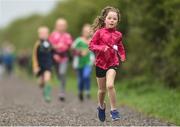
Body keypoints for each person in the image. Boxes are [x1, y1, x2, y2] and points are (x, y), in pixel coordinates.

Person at [89, 6, 126, 122]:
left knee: (110, 85)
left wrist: (122, 55)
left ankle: (114, 110)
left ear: (117, 21)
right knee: (101, 90)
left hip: (112, 63)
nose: (112, 20)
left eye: (114, 19)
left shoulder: (118, 35)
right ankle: (101, 106)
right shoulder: (99, 33)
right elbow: (91, 45)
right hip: (100, 64)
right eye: (109, 18)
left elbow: (120, 46)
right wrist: (101, 48)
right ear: (104, 19)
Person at [49, 18, 73, 101]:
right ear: (56, 26)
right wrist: (56, 49)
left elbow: (69, 45)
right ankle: (61, 82)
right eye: (59, 25)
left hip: (64, 57)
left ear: (66, 27)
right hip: (55, 57)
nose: (61, 27)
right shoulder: (53, 35)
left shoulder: (67, 36)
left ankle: (62, 92)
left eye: (63, 25)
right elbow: (50, 46)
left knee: (62, 73)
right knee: (59, 74)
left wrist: (64, 46)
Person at [72, 24, 95, 101]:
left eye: (88, 31)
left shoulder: (92, 40)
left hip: (88, 62)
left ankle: (87, 91)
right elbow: (72, 49)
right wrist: (80, 52)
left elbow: (96, 49)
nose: (86, 33)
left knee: (86, 76)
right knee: (80, 79)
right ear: (82, 32)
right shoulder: (78, 40)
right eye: (85, 31)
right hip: (79, 63)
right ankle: (80, 92)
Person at [32, 26, 53, 102]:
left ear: (48, 34)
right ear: (39, 35)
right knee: (41, 82)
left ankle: (47, 95)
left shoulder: (50, 43)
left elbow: (52, 52)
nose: (43, 35)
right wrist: (35, 66)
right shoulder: (37, 44)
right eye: (42, 33)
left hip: (48, 64)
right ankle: (43, 87)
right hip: (40, 65)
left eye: (45, 33)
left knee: (47, 78)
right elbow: (34, 56)